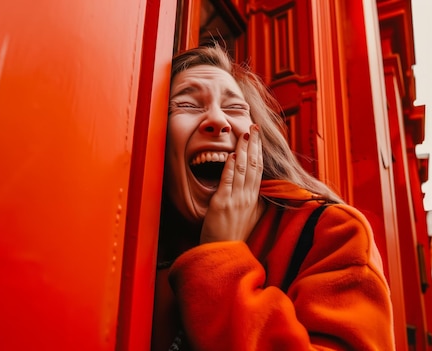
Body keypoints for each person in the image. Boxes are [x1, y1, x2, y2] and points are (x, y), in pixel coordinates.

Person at [151, 44, 395, 350]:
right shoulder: (132, 245)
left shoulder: (334, 232)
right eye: (186, 105)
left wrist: (220, 257)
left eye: (234, 108)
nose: (218, 120)